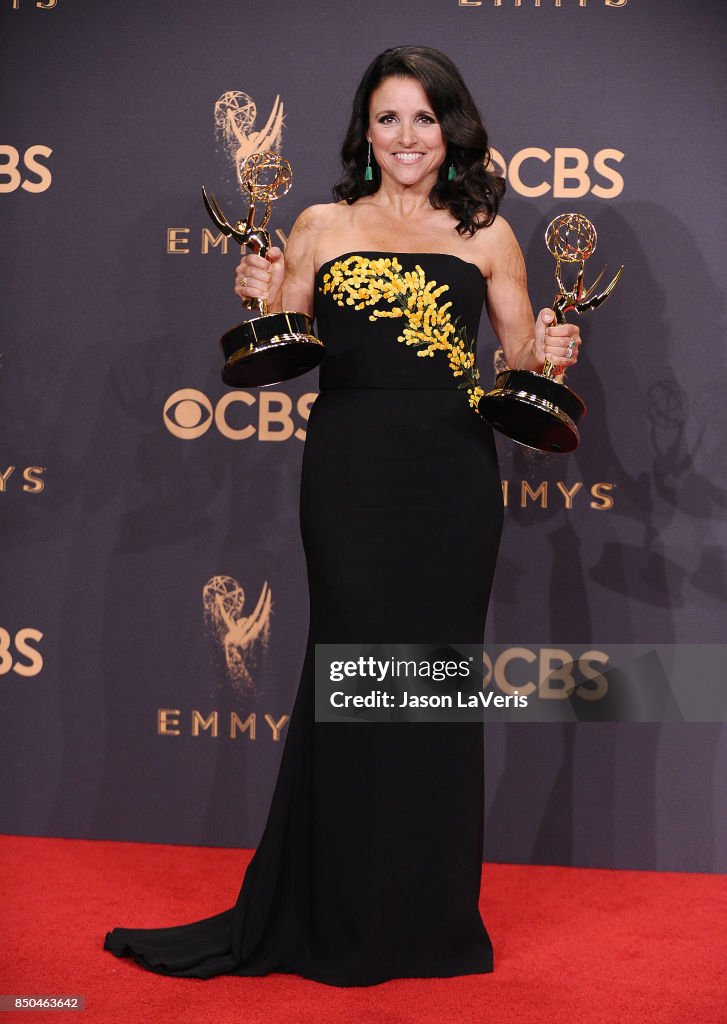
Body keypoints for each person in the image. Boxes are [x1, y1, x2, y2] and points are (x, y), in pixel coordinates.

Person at [103, 45, 581, 987]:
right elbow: (281, 334)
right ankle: (337, 913)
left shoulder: (487, 233)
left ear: (453, 127)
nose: (407, 137)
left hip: (452, 476)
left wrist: (552, 349)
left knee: (432, 688)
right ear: (364, 130)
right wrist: (256, 293)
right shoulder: (320, 223)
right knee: (355, 674)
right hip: (352, 472)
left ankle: (428, 921)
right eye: (388, 118)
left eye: (424, 117)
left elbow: (520, 363)